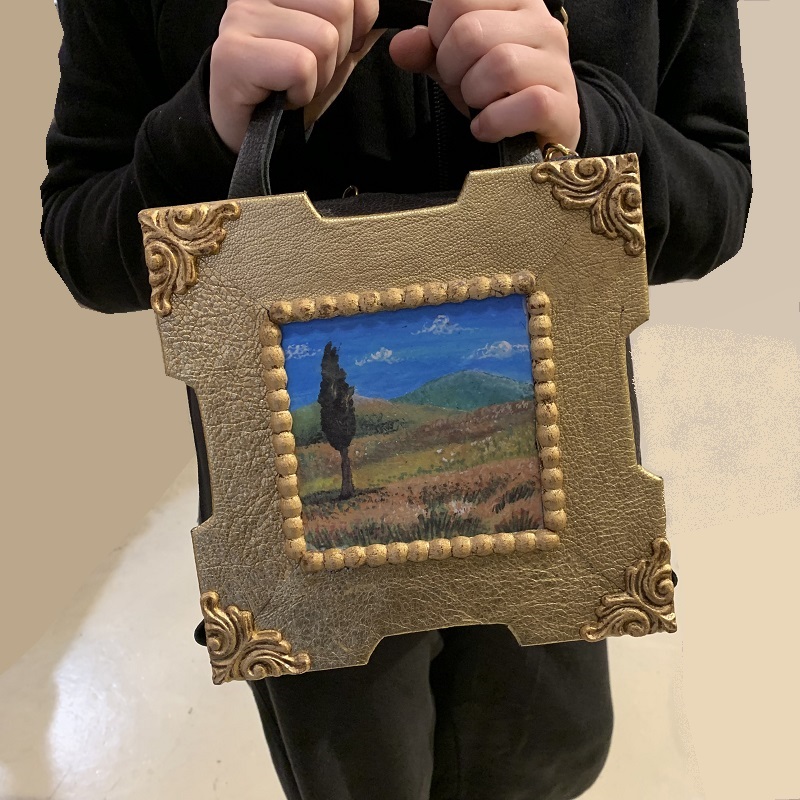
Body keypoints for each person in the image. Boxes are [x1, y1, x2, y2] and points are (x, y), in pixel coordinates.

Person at [40, 0, 751, 798]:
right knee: (360, 770)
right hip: (300, 530)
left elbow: (719, 197)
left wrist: (593, 129)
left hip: (554, 476)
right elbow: (81, 237)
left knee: (543, 754)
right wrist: (204, 134)